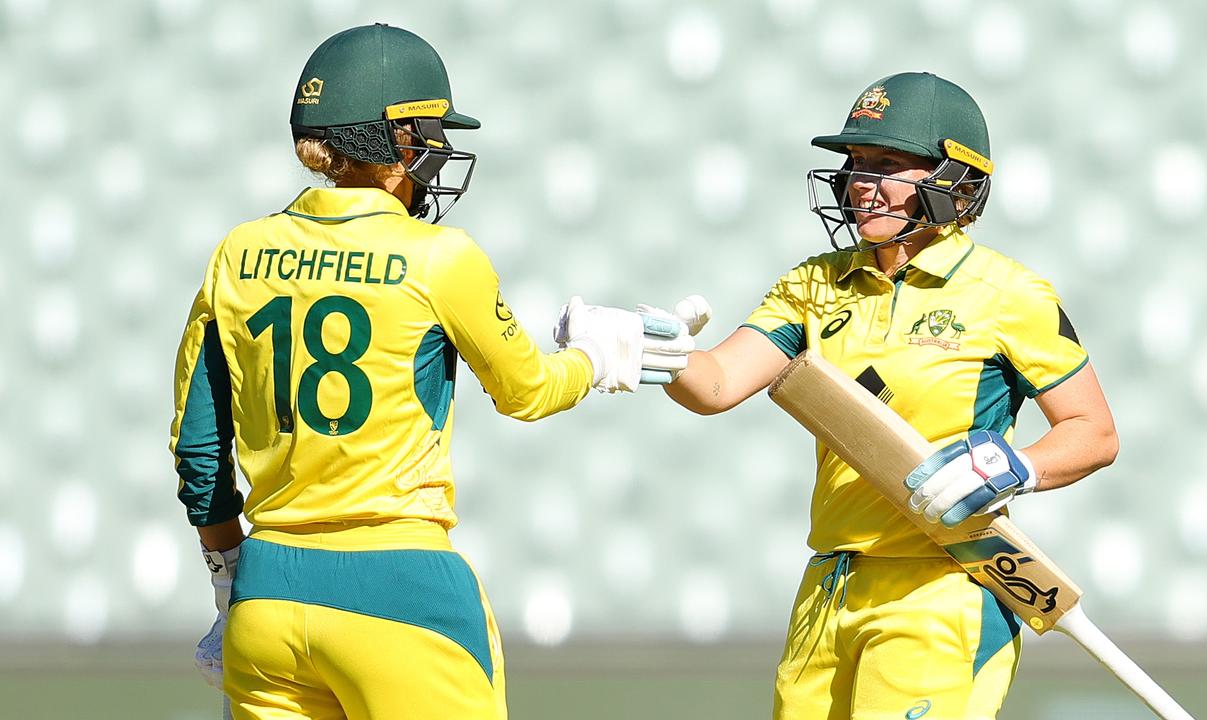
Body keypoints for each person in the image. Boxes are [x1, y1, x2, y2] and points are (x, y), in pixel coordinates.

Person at [168, 23, 703, 720]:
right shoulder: (439, 256)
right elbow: (529, 393)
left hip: (268, 595)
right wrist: (600, 357)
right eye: (426, 133)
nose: (435, 152)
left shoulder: (237, 254)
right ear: (392, 142)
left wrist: (229, 577)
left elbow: (199, 451)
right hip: (403, 591)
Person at [662, 71, 1119, 719]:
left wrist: (1017, 466)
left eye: (886, 165)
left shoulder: (1007, 294)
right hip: (830, 587)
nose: (860, 183)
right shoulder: (815, 285)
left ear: (952, 180)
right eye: (855, 165)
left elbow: (1094, 433)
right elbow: (717, 383)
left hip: (944, 584)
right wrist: (662, 351)